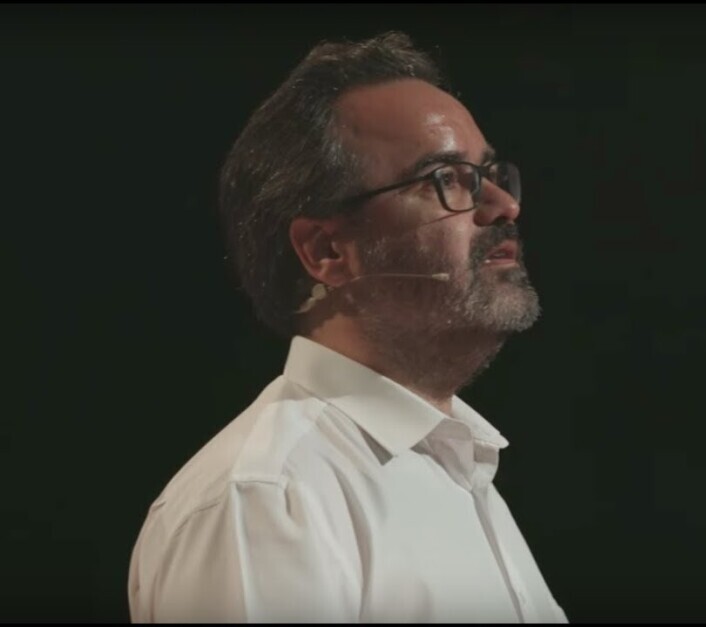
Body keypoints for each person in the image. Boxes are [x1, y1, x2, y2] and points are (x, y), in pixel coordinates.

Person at [127, 32, 568, 623]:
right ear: (326, 250)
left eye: (490, 173)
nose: (503, 205)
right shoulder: (268, 499)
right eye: (447, 178)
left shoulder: (459, 471)